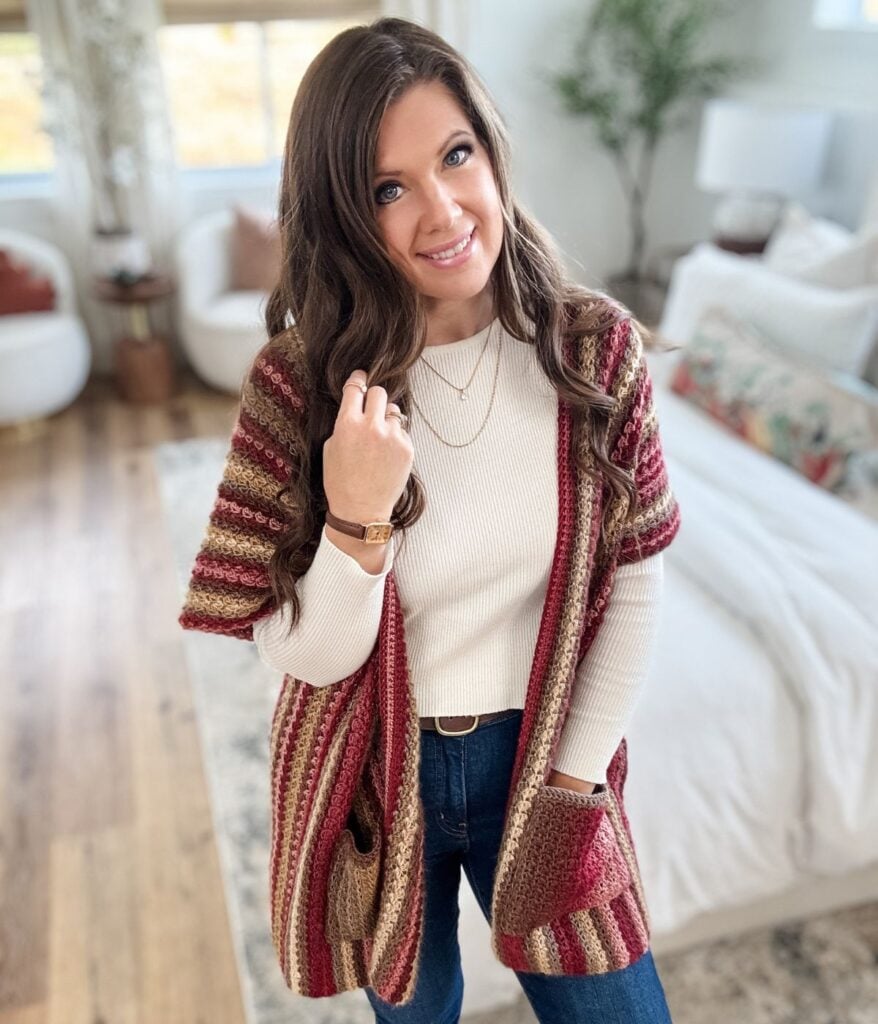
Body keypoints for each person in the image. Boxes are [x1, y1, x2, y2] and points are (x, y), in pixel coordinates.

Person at [179, 15, 681, 1024]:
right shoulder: (297, 386)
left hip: (543, 762)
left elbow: (634, 577)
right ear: (340, 213)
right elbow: (302, 657)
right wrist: (355, 521)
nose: (442, 209)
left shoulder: (592, 349)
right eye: (385, 188)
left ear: (491, 151)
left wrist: (568, 794)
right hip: (376, 774)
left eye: (455, 155)